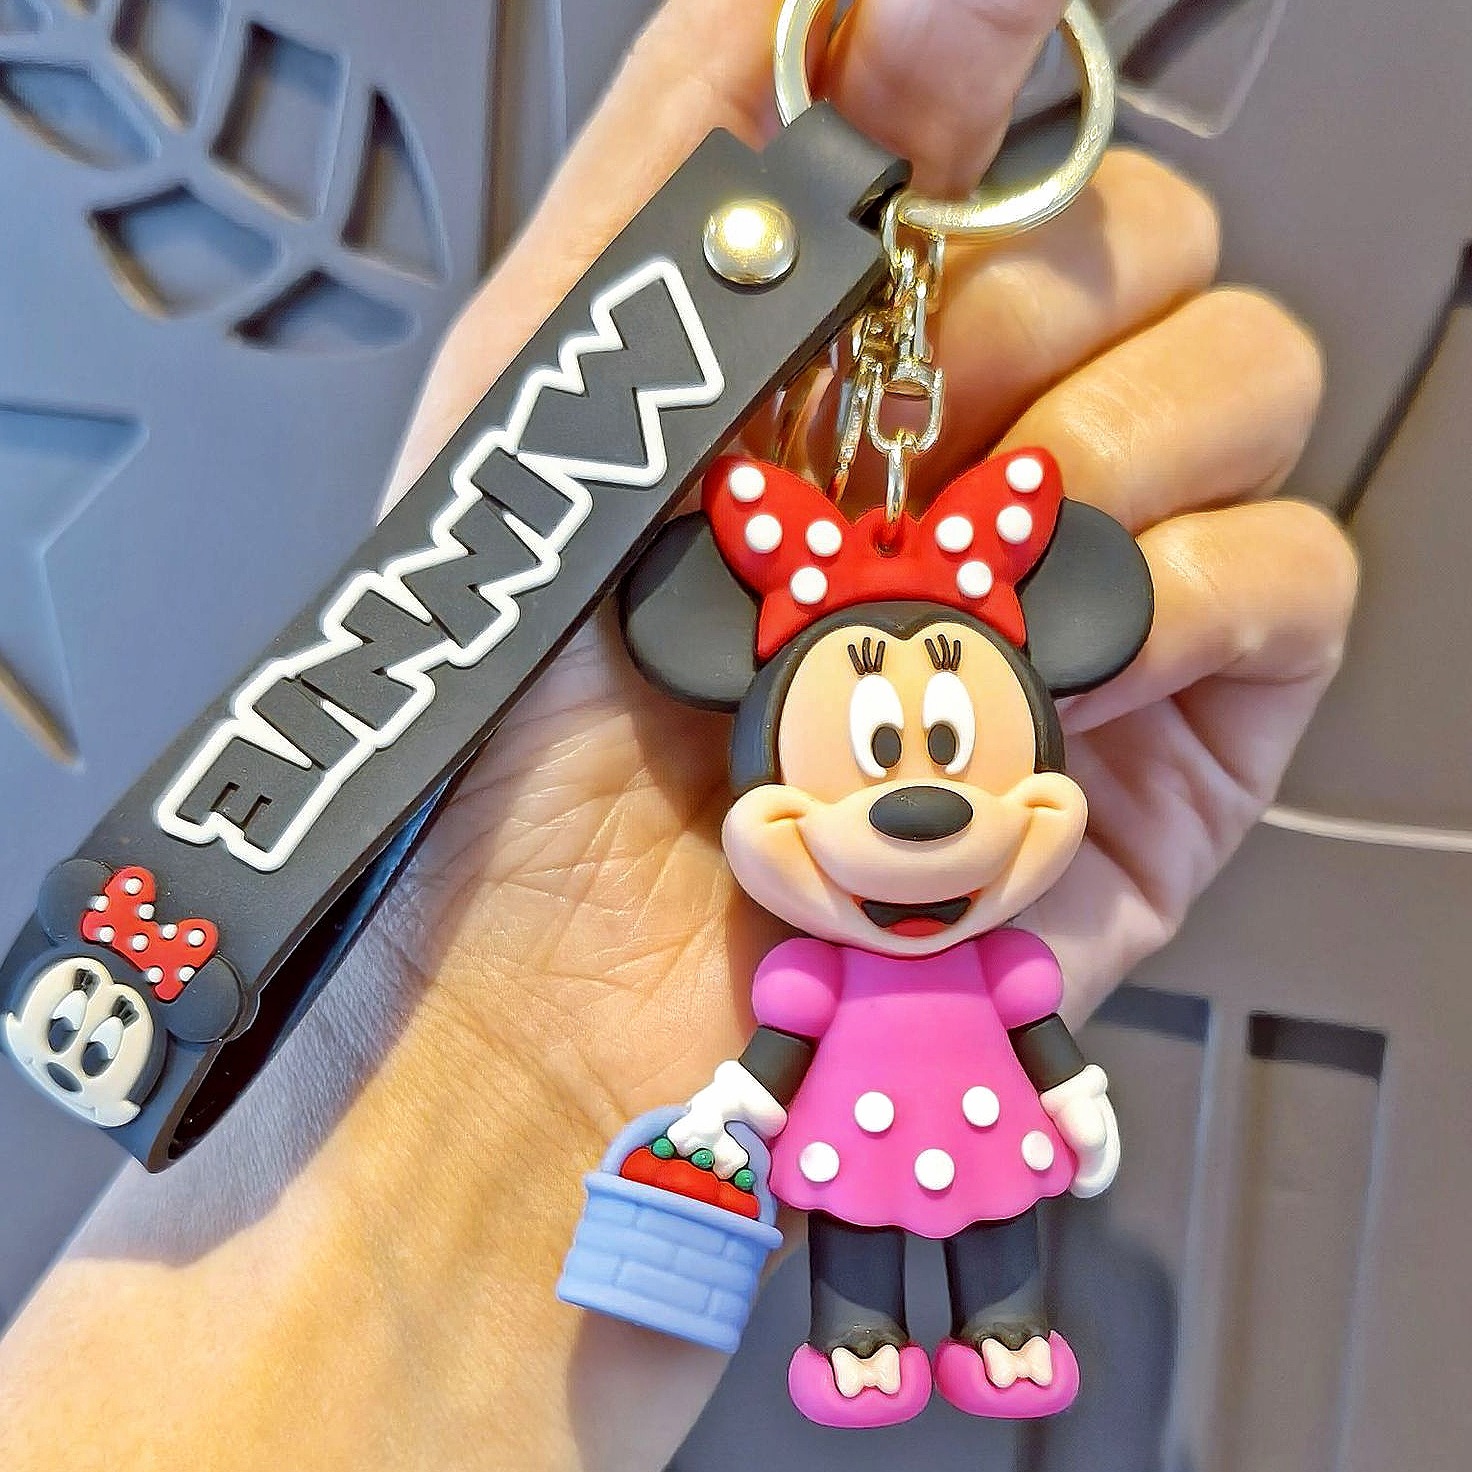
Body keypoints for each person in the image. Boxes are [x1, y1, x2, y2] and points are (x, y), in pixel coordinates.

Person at [0, 0, 1357, 1467]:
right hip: (845, 1141)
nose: (917, 808)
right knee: (860, 1250)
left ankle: (1001, 1332)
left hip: (964, 1135)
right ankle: (863, 1345)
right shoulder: (816, 976)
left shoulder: (989, 960)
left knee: (994, 1239)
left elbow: (1031, 1029)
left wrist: (1073, 1098)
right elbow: (774, 1064)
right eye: (872, 756)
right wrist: (602, 1093)